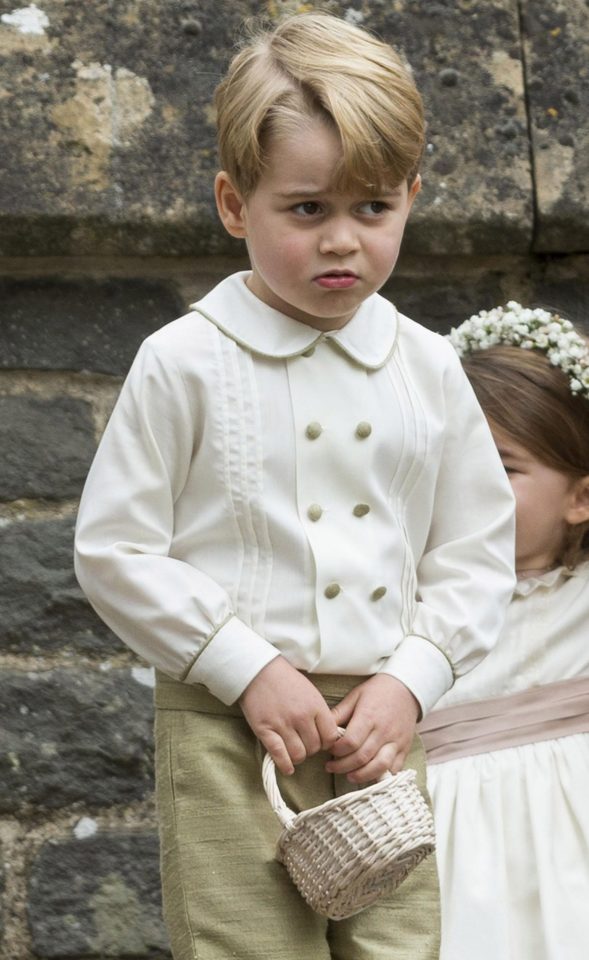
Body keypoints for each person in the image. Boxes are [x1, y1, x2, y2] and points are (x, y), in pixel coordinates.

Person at [74, 12, 515, 960]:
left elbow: (476, 552)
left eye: (373, 209)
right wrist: (248, 667)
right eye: (306, 210)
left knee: (401, 947)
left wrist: (409, 682)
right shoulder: (184, 360)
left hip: (379, 732)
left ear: (411, 197)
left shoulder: (428, 366)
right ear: (236, 205)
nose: (342, 242)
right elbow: (114, 550)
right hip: (232, 730)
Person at [419, 302, 589, 960]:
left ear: (579, 498)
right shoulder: (408, 612)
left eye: (503, 468)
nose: (471, 491)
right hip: (452, 870)